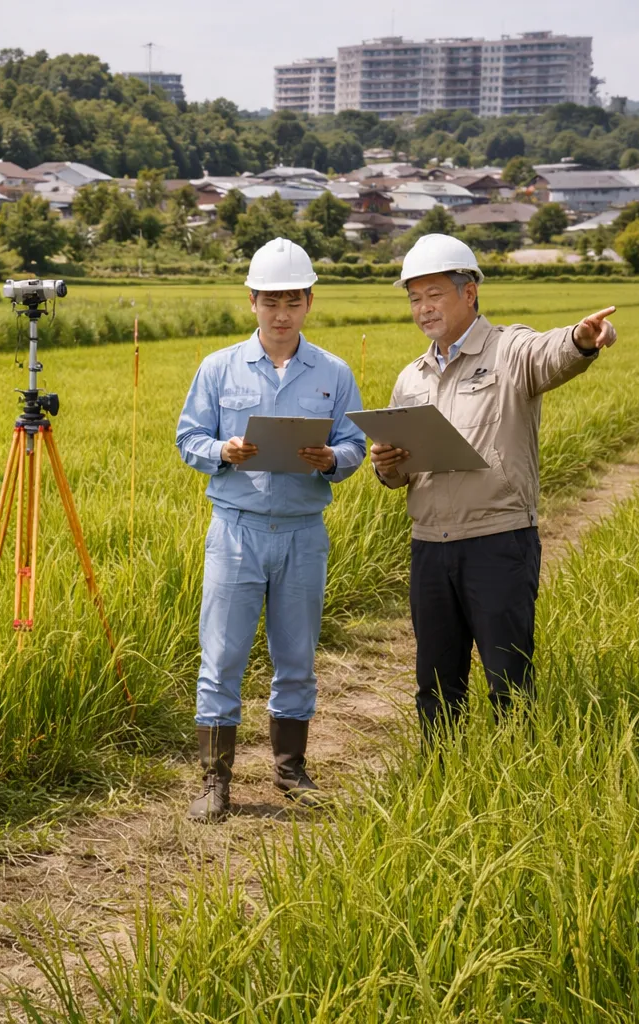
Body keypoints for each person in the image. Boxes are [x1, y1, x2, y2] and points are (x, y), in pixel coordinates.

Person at [369, 233, 618, 738]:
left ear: (469, 292)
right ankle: (442, 775)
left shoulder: (509, 350)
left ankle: (517, 778)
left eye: (434, 294)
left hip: (498, 542)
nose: (423, 308)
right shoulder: (411, 378)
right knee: (436, 685)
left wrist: (581, 339)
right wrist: (385, 462)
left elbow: (550, 353)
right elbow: (397, 477)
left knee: (509, 682)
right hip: (430, 548)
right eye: (415, 298)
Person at [175, 237, 366, 821]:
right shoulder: (219, 367)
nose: (281, 314)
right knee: (222, 656)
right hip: (235, 530)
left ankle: (289, 769)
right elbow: (188, 439)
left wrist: (332, 460)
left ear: (309, 302)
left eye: (293, 302)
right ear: (252, 302)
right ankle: (216, 781)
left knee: (297, 656)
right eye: (270, 302)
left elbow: (355, 443)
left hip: (303, 531)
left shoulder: (333, 372)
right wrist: (224, 450)